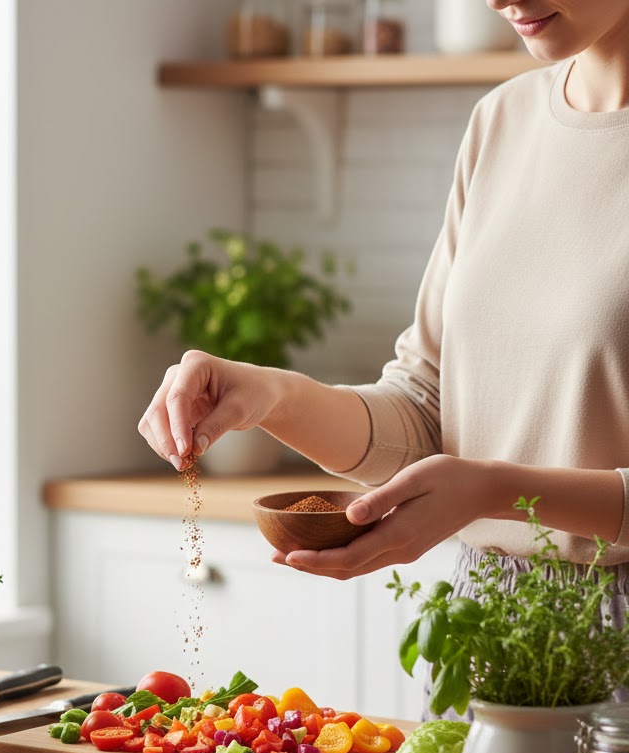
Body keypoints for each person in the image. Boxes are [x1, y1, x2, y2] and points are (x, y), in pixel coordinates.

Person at [140, 0, 629, 585]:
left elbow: (470, 478)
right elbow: (425, 410)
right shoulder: (502, 121)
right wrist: (274, 397)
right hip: (479, 620)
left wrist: (495, 491)